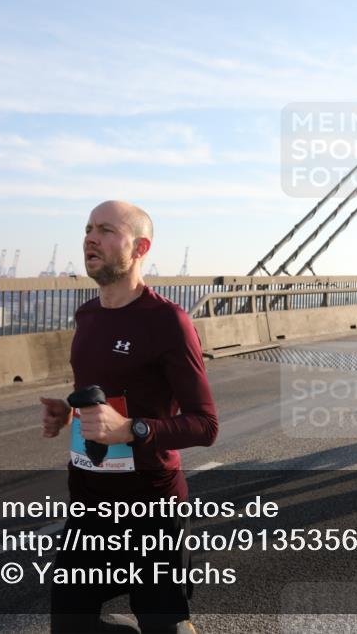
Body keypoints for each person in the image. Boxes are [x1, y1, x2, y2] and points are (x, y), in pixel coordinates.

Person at [40, 201, 217, 634]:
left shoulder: (168, 322)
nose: (90, 237)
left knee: (167, 627)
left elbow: (205, 424)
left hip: (151, 507)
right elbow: (106, 394)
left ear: (140, 247)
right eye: (87, 228)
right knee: (69, 626)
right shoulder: (86, 316)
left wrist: (131, 429)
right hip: (88, 504)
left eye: (105, 229)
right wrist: (69, 412)